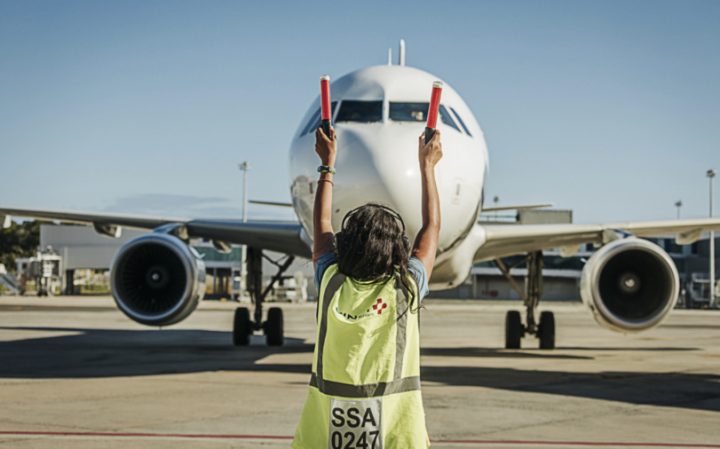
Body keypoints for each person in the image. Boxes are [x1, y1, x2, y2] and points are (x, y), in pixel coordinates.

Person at [292, 124, 442, 449]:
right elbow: (431, 227)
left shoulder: (331, 284)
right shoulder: (406, 289)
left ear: (344, 245)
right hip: (397, 436)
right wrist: (427, 167)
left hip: (323, 436)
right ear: (398, 251)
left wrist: (327, 164)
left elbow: (321, 226)